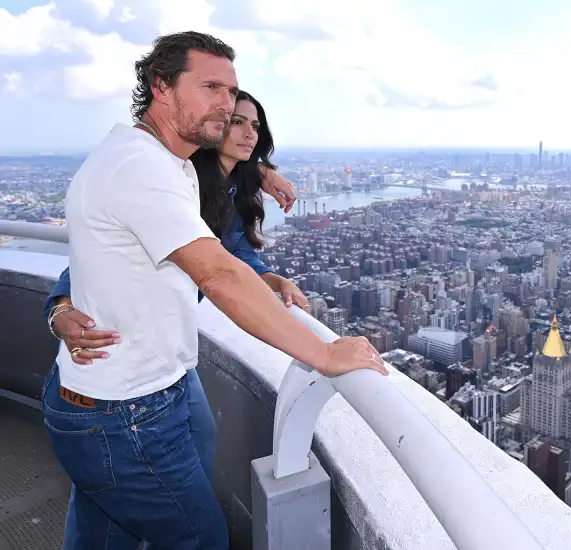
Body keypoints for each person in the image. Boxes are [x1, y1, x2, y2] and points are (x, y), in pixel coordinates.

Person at [41, 30, 387, 550]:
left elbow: (135, 248)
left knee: (105, 529)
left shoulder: (168, 162)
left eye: (231, 91)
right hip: (124, 410)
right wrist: (323, 353)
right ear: (161, 86)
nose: (225, 104)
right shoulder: (141, 168)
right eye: (210, 88)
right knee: (199, 538)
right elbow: (218, 273)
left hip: (143, 387)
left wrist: (260, 172)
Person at [44, 89, 303, 548]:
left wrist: (270, 277)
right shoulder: (177, 181)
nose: (247, 132)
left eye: (255, 126)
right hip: (123, 370)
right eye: (236, 121)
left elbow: (233, 250)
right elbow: (94, 258)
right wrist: (59, 307)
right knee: (164, 509)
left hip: (164, 357)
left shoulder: (227, 187)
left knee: (134, 480)